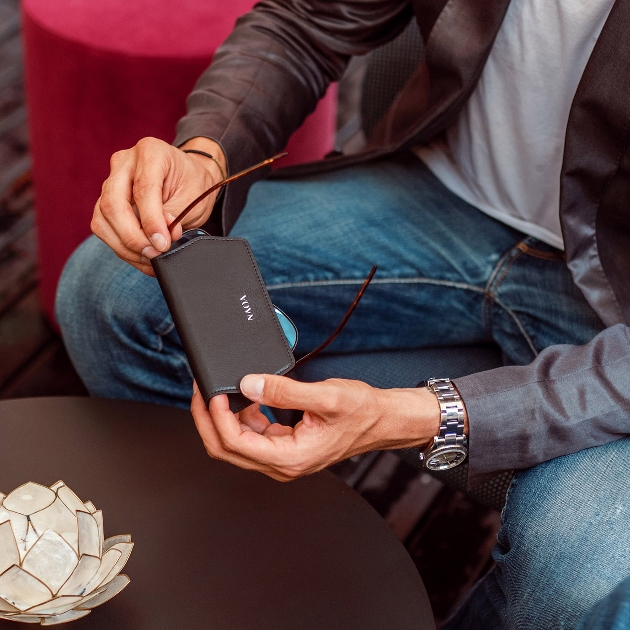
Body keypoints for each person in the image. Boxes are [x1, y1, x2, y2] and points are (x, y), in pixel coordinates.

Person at [55, 0, 630, 627]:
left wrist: (421, 415)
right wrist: (206, 155)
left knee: (583, 578)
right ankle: (254, 573)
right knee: (111, 292)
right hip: (442, 200)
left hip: (612, 314)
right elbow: (307, 20)